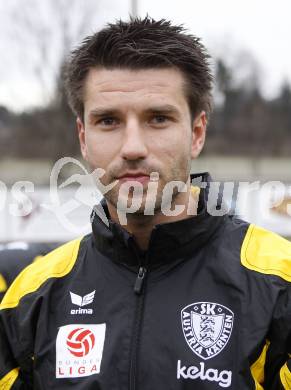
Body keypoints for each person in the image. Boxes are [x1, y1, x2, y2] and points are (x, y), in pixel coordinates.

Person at [0, 16, 290, 389]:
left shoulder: (279, 285)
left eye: (158, 118)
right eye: (108, 120)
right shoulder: (30, 299)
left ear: (197, 133)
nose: (133, 147)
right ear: (83, 138)